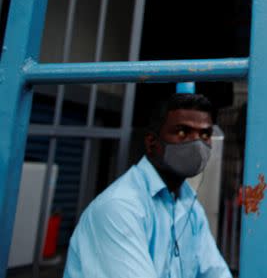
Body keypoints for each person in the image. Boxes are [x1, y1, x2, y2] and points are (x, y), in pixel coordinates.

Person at [64, 93, 232, 278]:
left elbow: (215, 272)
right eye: (183, 132)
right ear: (152, 143)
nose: (197, 143)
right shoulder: (120, 207)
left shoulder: (189, 205)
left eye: (205, 134)